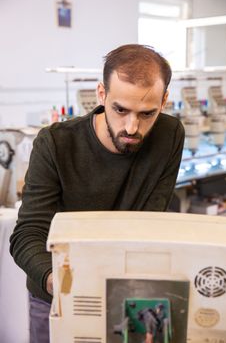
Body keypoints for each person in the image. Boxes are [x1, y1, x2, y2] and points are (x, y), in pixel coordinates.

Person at [10, 44, 184, 342]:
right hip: (56, 295)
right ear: (101, 94)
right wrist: (60, 284)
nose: (132, 126)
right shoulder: (55, 144)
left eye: (147, 113)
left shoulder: (170, 134)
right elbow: (27, 234)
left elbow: (153, 219)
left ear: (164, 101)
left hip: (130, 290)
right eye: (120, 110)